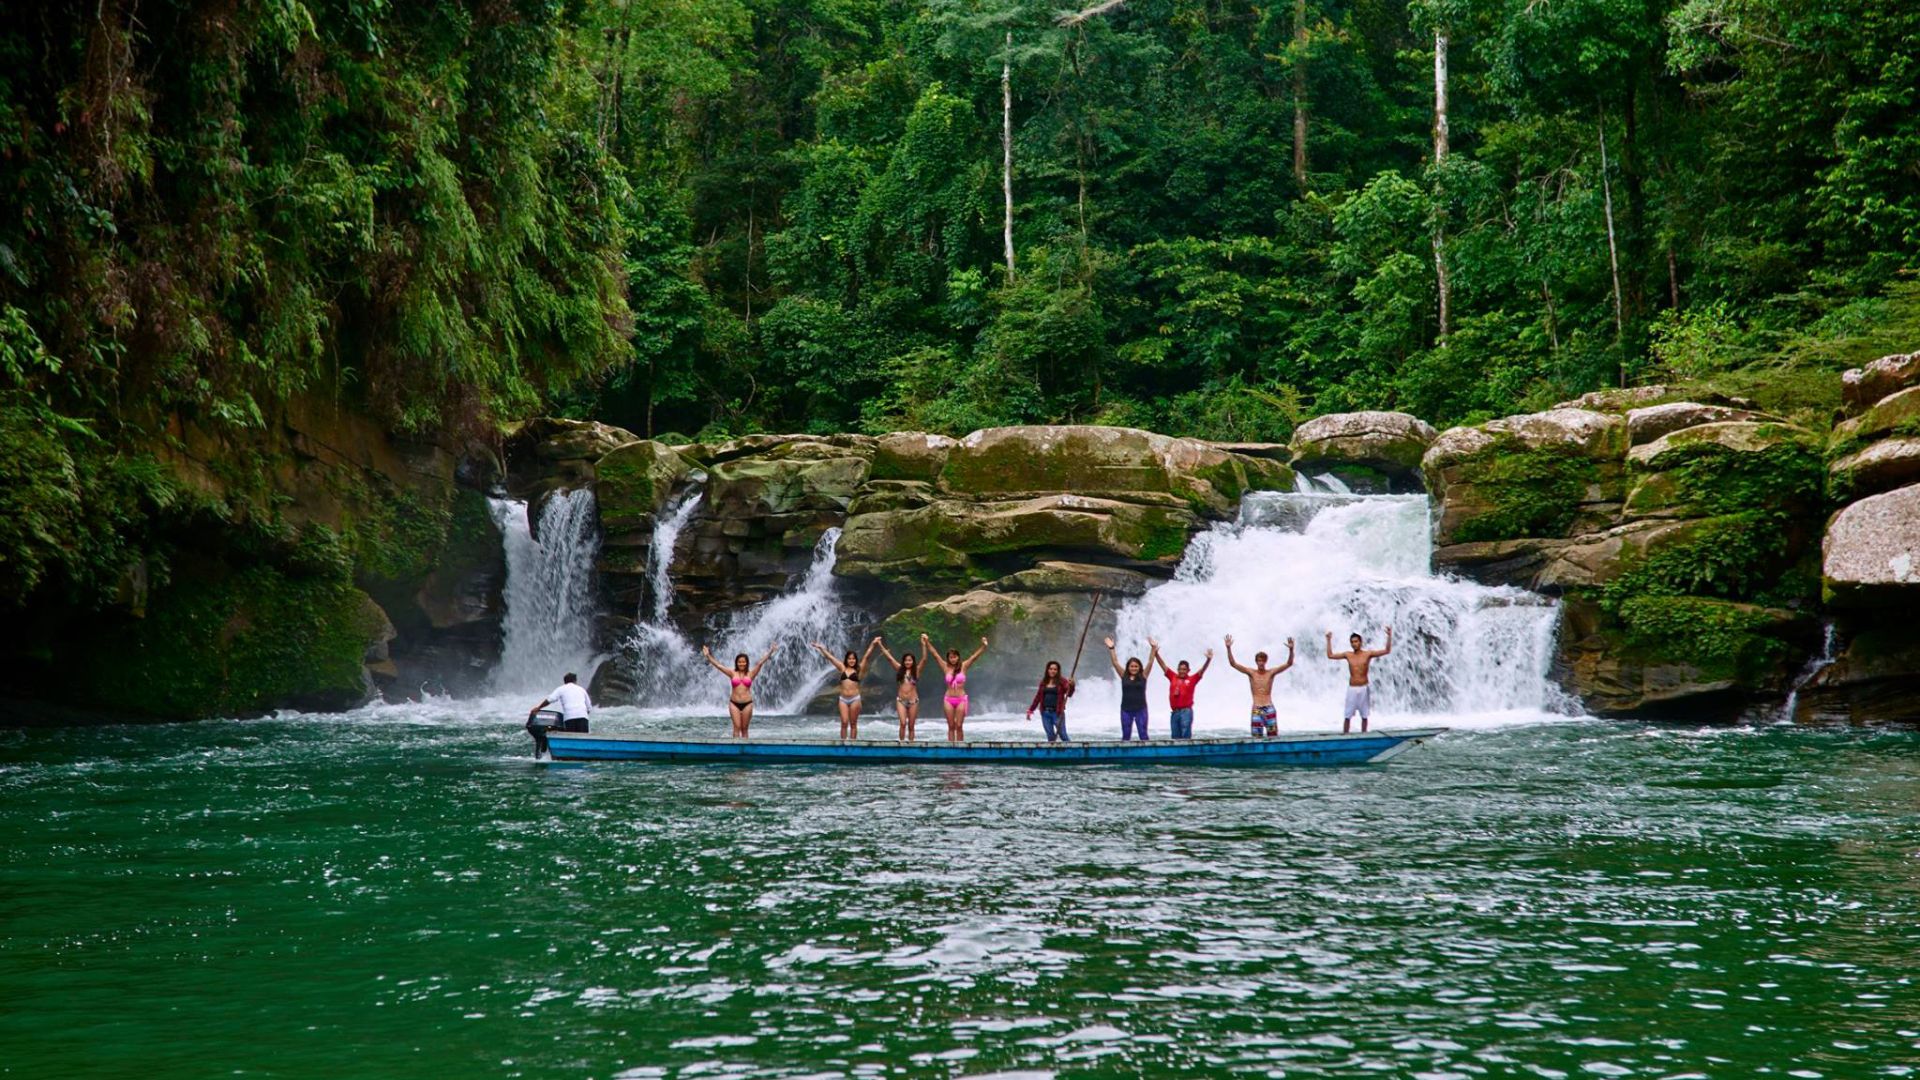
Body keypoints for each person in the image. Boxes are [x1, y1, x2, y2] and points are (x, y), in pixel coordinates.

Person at [701, 644, 778, 737]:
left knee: (744, 729)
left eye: (744, 662)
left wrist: (771, 651)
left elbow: (760, 663)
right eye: (740, 662)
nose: (742, 664)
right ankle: (735, 749)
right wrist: (708, 656)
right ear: (736, 663)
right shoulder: (732, 673)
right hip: (734, 703)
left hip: (747, 704)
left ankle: (745, 749)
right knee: (736, 727)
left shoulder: (751, 674)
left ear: (747, 663)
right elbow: (718, 665)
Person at [924, 633, 989, 742]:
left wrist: (984, 646)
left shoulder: (964, 666)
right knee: (951, 726)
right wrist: (927, 642)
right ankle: (951, 747)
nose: (953, 659)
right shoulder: (945, 666)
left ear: (958, 657)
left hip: (961, 699)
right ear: (948, 658)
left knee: (959, 725)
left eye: (955, 657)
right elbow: (935, 655)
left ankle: (960, 746)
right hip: (948, 699)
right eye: (951, 657)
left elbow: (974, 657)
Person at [1225, 634, 1293, 737]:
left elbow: (1289, 663)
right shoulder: (1251, 673)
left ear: (1266, 661)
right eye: (1259, 661)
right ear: (1256, 662)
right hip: (1257, 708)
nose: (1261, 663)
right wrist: (1229, 648)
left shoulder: (1271, 673)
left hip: (1269, 707)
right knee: (1256, 736)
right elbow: (1233, 663)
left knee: (1273, 735)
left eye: (1263, 660)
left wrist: (1291, 650)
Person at [1326, 627, 1393, 732]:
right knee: (1347, 715)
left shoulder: (1368, 654)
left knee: (1364, 716)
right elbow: (1330, 655)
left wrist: (1389, 635)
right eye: (1352, 642)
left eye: (1356, 641)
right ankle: (1345, 736)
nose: (1354, 644)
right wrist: (1328, 640)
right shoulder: (1348, 655)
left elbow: (1387, 650)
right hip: (1352, 688)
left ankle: (1364, 735)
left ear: (1361, 642)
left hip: (1363, 688)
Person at [813, 638, 881, 740]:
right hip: (843, 699)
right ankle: (843, 742)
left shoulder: (859, 669)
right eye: (849, 658)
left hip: (855, 699)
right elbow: (831, 658)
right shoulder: (842, 668)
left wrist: (873, 643)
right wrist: (822, 648)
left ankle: (853, 743)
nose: (851, 660)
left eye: (853, 659)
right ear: (846, 659)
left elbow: (867, 656)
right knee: (844, 722)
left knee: (853, 723)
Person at [1151, 638, 1211, 740]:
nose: (1182, 671)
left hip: (1186, 712)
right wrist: (1155, 653)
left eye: (1184, 669)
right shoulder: (1172, 676)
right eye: (1180, 669)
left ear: (1188, 670)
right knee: (1175, 737)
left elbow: (1202, 670)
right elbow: (1163, 665)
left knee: (1185, 735)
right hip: (1174, 712)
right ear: (1177, 669)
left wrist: (1208, 660)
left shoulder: (1192, 679)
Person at [525, 672, 592, 758]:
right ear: (575, 681)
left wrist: (538, 707)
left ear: (564, 681)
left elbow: (550, 699)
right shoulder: (582, 689)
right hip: (583, 717)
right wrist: (583, 714)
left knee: (571, 741)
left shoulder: (561, 689)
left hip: (569, 717)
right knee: (583, 740)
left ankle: (569, 756)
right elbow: (589, 708)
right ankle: (584, 756)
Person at [1104, 636, 1158, 741]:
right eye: (1132, 666)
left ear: (1139, 668)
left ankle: (1147, 754)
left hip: (1141, 709)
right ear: (1128, 667)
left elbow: (1150, 662)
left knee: (1143, 735)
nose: (1134, 668)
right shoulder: (1124, 675)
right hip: (1126, 709)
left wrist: (1153, 648)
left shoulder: (1143, 676)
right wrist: (1111, 648)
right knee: (1126, 736)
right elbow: (1115, 662)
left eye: (1136, 666)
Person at [874, 637, 924, 741]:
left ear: (913, 661)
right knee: (902, 723)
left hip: (913, 701)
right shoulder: (899, 669)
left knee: (911, 725)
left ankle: (911, 745)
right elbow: (889, 658)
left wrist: (924, 644)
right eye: (906, 660)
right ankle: (901, 744)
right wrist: (879, 644)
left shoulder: (917, 671)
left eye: (910, 660)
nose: (907, 662)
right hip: (901, 701)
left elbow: (924, 659)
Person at [1025, 660, 1076, 742]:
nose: (1053, 671)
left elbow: (1069, 693)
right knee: (1050, 736)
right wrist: (1030, 710)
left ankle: (1072, 752)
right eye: (1051, 669)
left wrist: (1072, 685)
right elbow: (1038, 697)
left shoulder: (1062, 681)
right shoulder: (1043, 682)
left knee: (1062, 734)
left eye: (1055, 669)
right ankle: (1054, 754)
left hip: (1057, 713)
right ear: (1047, 670)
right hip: (1045, 713)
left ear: (1058, 671)